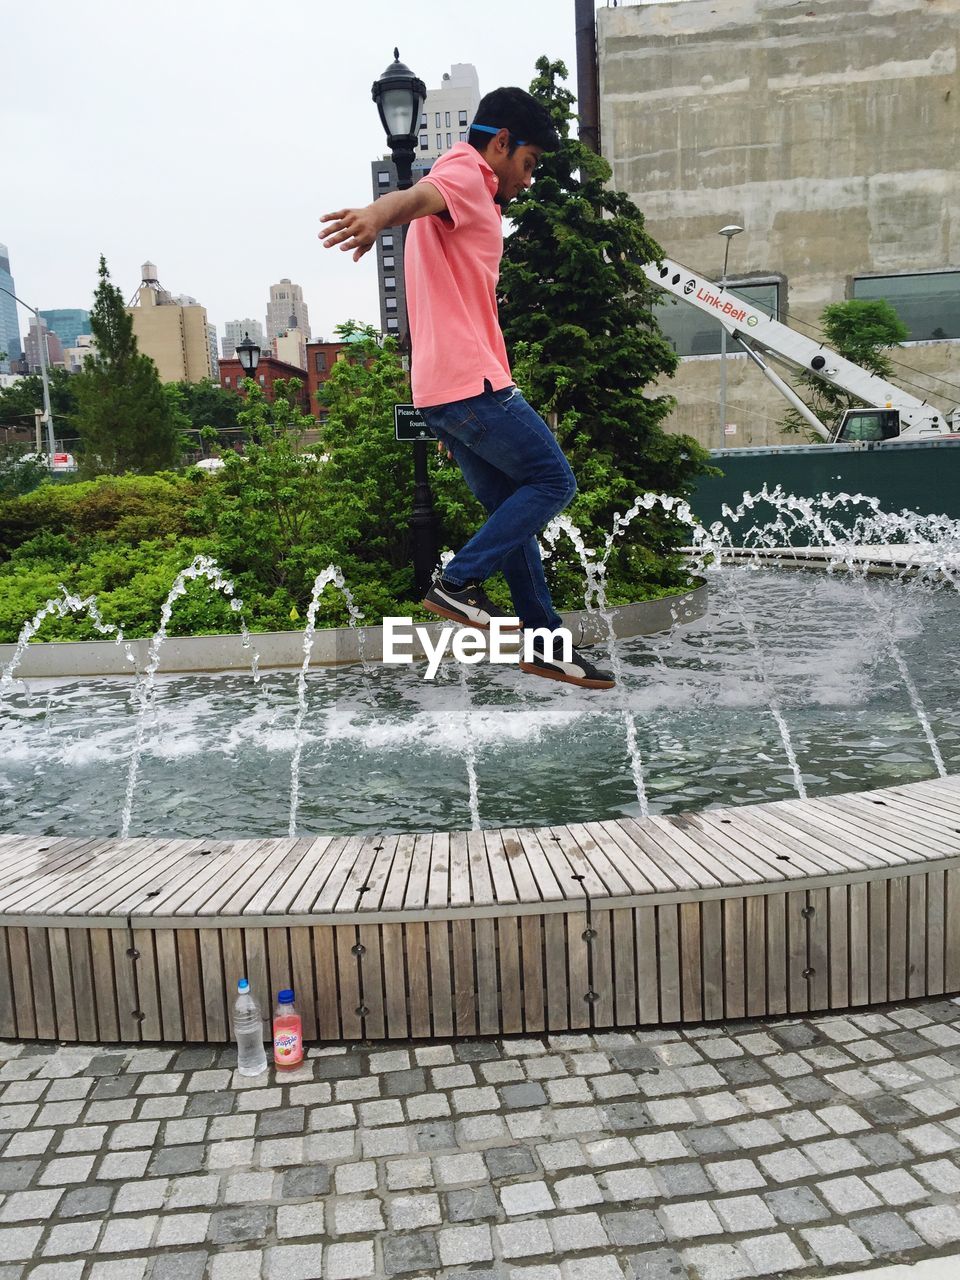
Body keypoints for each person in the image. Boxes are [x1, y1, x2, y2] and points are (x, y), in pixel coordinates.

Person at [320, 86, 614, 690]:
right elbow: (422, 195)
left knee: (513, 510)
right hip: (472, 384)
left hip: (443, 394)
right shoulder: (467, 174)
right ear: (501, 144)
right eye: (528, 164)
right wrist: (378, 214)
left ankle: (545, 641)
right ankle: (456, 583)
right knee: (555, 481)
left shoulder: (472, 191)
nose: (527, 182)